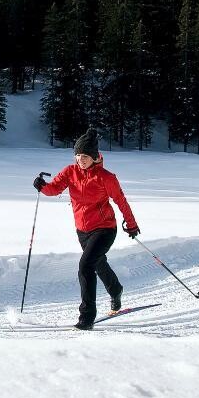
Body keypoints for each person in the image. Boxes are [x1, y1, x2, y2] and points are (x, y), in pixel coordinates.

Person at [33, 127, 140, 330]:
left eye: (85, 156)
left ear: (95, 156)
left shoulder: (106, 177)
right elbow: (54, 189)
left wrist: (132, 224)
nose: (80, 159)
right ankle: (116, 289)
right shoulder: (70, 172)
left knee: (85, 266)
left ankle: (87, 316)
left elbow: (121, 201)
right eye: (78, 155)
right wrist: (42, 186)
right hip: (82, 229)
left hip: (105, 228)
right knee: (98, 264)